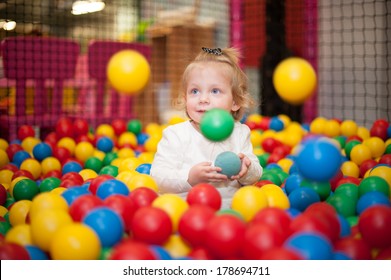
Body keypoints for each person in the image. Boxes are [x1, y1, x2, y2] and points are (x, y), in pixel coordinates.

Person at [150, 47, 263, 209]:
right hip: (186, 211)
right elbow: (158, 177)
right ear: (185, 98)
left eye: (215, 91)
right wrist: (189, 177)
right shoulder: (176, 135)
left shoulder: (239, 133)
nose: (203, 99)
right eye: (195, 91)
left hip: (230, 213)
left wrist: (247, 169)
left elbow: (255, 175)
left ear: (235, 102)